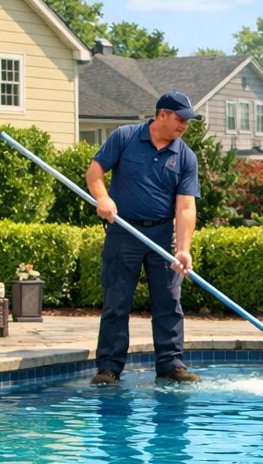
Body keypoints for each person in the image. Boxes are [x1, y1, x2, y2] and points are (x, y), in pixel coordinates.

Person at [85, 91, 202, 385]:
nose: (184, 126)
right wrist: (103, 198)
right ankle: (109, 367)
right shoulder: (125, 137)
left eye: (188, 121)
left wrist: (184, 250)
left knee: (169, 302)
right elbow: (95, 171)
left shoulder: (185, 155)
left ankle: (170, 365)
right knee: (117, 300)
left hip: (162, 237)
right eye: (180, 119)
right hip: (123, 232)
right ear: (162, 114)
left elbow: (186, 206)